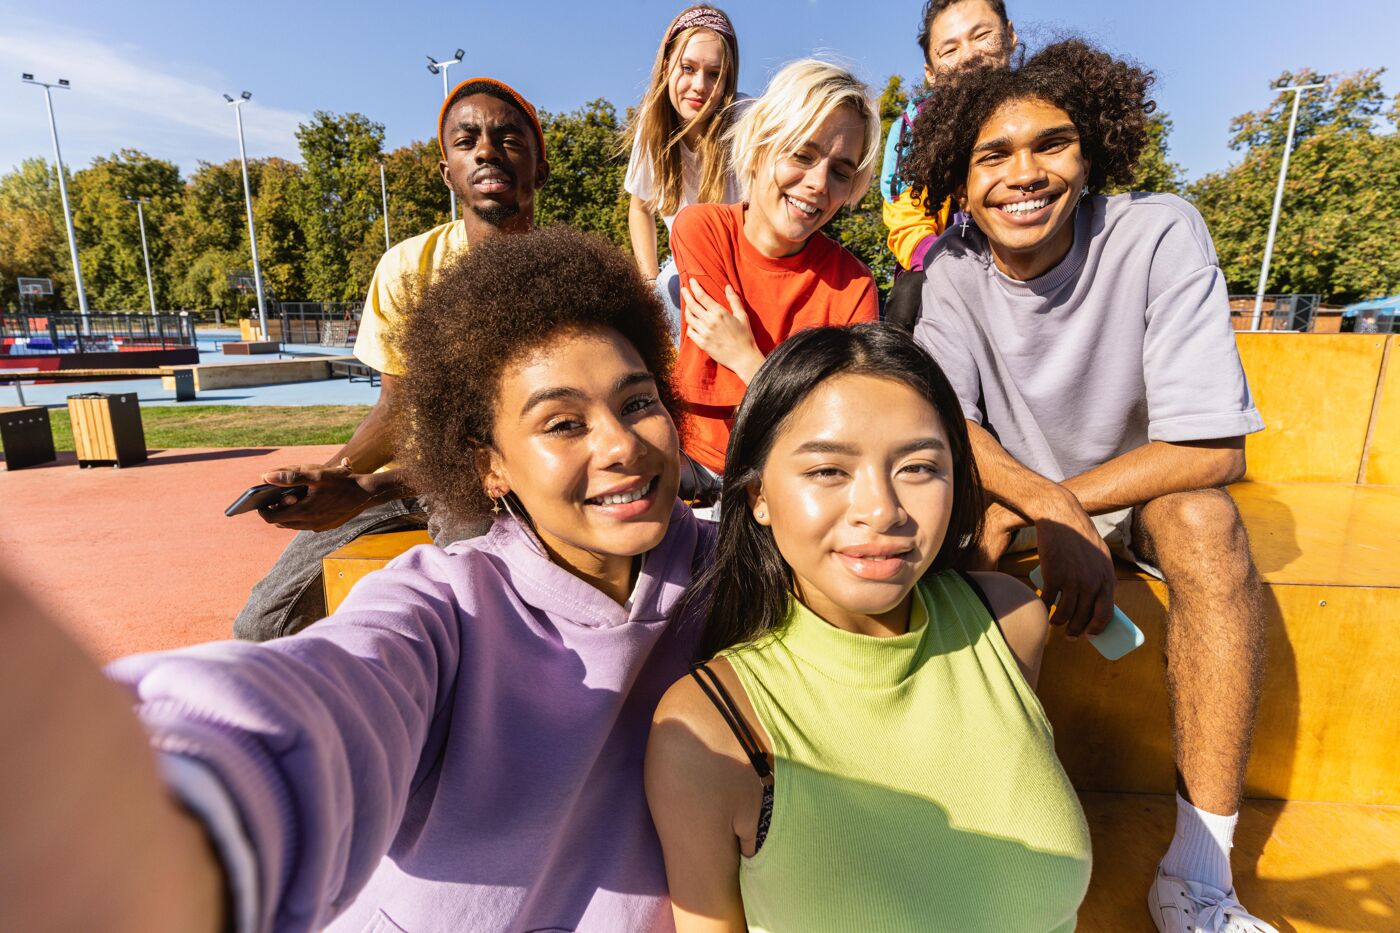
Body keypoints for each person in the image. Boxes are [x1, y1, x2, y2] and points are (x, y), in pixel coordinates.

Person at [1, 227, 719, 933]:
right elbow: (335, 697)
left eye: (637, 402)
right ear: (489, 466)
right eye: (562, 423)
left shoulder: (734, 575)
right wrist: (177, 808)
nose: (622, 445)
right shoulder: (446, 607)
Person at [902, 40, 1275, 932]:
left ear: (1092, 151)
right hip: (1026, 499)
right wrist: (1050, 506)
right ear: (960, 173)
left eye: (1052, 144)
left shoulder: (1158, 229)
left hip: (1141, 490)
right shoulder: (949, 269)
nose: (1024, 174)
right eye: (994, 154)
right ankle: (970, 829)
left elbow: (1214, 445)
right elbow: (948, 428)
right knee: (962, 535)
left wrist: (1076, 505)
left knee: (1206, 521)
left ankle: (1200, 874)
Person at [645, 324, 1092, 931]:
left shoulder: (1008, 623)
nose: (881, 509)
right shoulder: (710, 732)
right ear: (757, 498)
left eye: (918, 467)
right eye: (828, 470)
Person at [232, 76, 550, 642]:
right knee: (262, 625)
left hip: (505, 489)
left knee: (474, 628)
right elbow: (397, 408)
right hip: (405, 480)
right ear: (446, 170)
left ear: (538, 166)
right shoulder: (408, 266)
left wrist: (368, 489)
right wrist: (332, 478)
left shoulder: (567, 279)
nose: (486, 150)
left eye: (508, 138)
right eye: (467, 139)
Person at [669, 59, 881, 481]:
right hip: (691, 466)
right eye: (802, 154)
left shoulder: (855, 285)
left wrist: (745, 357)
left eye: (840, 172)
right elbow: (811, 409)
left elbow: (844, 420)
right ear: (762, 144)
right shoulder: (701, 228)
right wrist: (800, 390)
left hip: (791, 476)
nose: (819, 184)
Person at [880, 0, 1018, 331]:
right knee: (912, 290)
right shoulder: (914, 126)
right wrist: (949, 264)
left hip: (1036, 260)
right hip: (944, 263)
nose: (969, 55)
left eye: (981, 35)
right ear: (930, 72)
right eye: (950, 50)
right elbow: (907, 221)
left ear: (1009, 35)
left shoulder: (1046, 105)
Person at [625, 5, 745, 338]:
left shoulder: (747, 122)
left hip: (744, 268)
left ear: (727, 81)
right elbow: (640, 206)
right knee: (664, 296)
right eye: (688, 68)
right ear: (666, 67)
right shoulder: (652, 131)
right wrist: (648, 282)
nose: (699, 86)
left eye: (714, 74)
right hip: (687, 270)